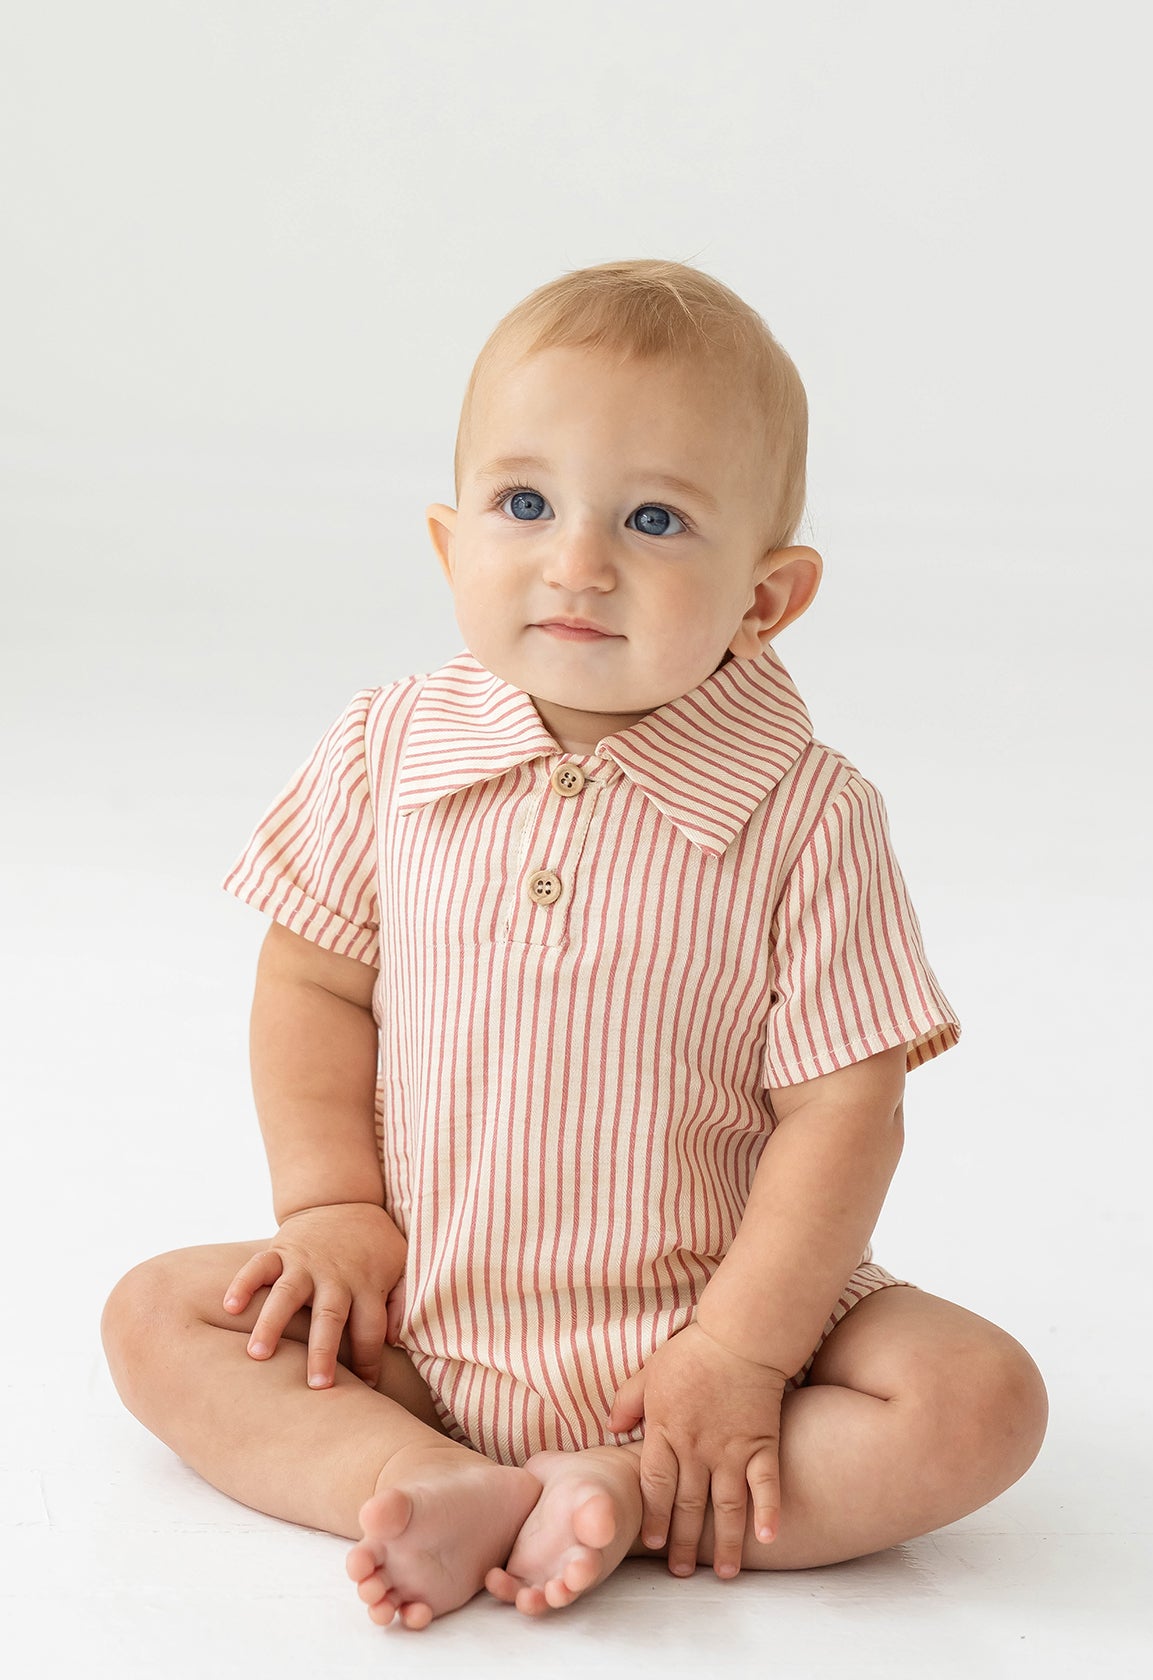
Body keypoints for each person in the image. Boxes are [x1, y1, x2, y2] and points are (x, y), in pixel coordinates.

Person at [101, 258, 1048, 1631]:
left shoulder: (807, 816)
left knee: (978, 1401)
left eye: (654, 519)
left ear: (767, 599)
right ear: (449, 544)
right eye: (526, 504)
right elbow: (311, 981)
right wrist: (330, 1211)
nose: (578, 563)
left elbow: (847, 1110)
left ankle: (630, 1478)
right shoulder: (386, 751)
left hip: (709, 1338)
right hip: (422, 1313)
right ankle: (418, 1472)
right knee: (154, 1317)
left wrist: (740, 1352)